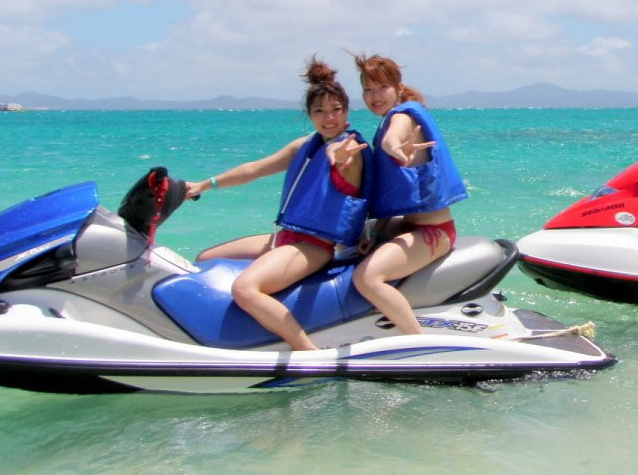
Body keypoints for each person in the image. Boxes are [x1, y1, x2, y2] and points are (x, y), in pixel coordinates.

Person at [187, 57, 369, 351]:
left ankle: (307, 352)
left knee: (245, 289)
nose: (329, 118)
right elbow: (254, 169)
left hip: (314, 246)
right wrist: (203, 185)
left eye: (336, 109)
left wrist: (340, 159)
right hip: (284, 238)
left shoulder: (350, 149)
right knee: (204, 257)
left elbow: (342, 160)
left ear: (347, 112)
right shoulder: (306, 146)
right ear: (310, 115)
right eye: (320, 111)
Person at [350, 53, 468, 335]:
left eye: (382, 87)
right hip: (410, 227)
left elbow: (395, 136)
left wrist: (393, 147)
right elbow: (390, 196)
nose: (375, 96)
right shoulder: (388, 119)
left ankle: (418, 339)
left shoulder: (401, 116)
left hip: (434, 233)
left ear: (398, 88)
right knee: (349, 241)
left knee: (367, 279)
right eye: (368, 89)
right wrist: (375, 232)